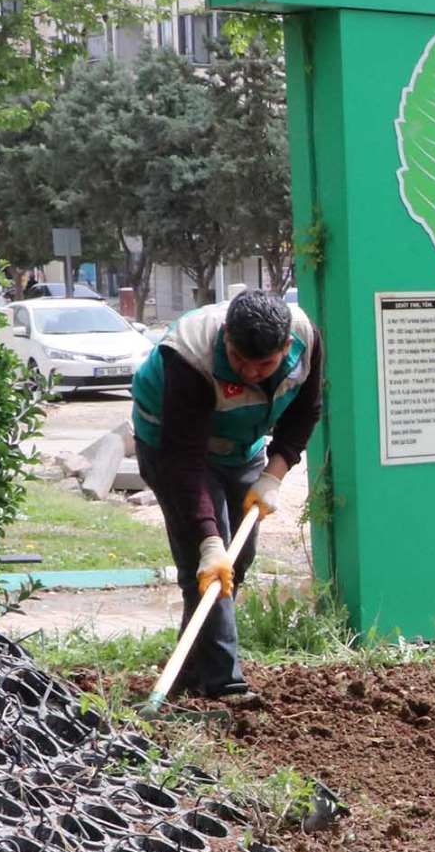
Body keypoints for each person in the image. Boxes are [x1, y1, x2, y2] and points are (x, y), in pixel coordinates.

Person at [129, 286, 323, 709]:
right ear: (226, 339)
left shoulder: (305, 340)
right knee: (207, 563)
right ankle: (224, 685)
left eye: (265, 365)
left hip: (244, 447)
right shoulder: (190, 355)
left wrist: (274, 474)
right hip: (172, 446)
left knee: (238, 559)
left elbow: (305, 411)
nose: (252, 373)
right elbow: (184, 461)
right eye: (239, 361)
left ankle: (188, 671)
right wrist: (208, 539)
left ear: (286, 346)